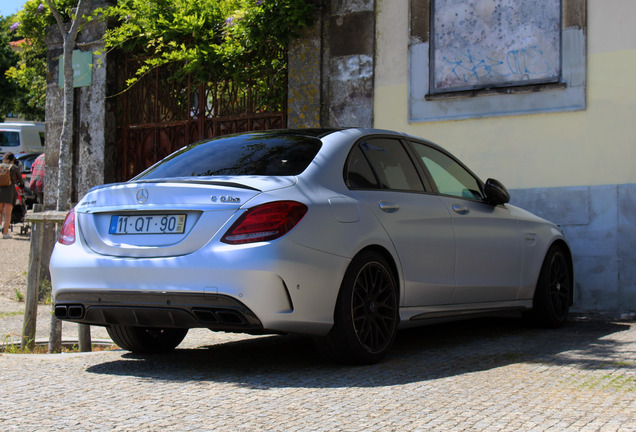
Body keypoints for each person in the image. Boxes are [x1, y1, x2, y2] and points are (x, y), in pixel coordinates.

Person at [0, 152, 25, 239]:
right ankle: (5, 233)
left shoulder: (0, 166)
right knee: (7, 214)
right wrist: (21, 185)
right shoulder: (14, 167)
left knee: (0, 213)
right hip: (9, 191)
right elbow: (21, 181)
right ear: (13, 160)